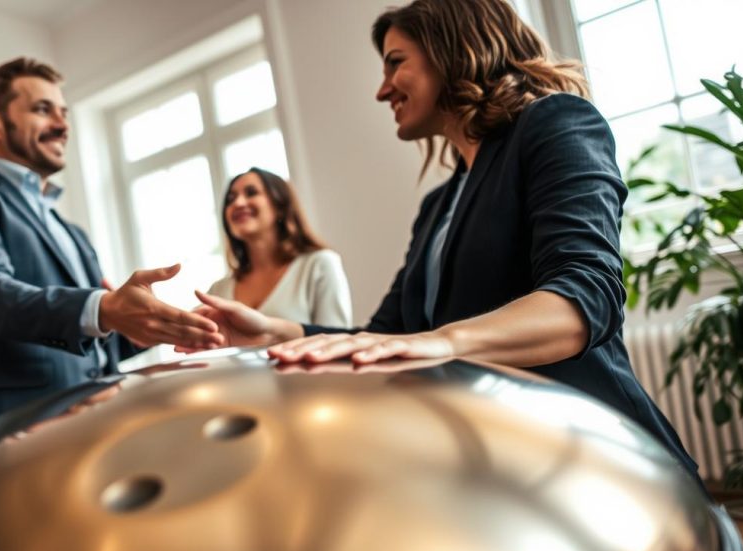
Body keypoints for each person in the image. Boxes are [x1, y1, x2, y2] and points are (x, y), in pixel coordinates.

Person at [184, 0, 699, 477]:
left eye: (395, 63)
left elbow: (583, 301)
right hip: (501, 459)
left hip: (598, 451)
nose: (382, 89)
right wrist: (276, 334)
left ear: (452, 51)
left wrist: (442, 343)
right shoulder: (439, 205)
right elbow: (386, 333)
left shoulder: (556, 121)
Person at [0, 57, 222, 438]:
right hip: (11, 430)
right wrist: (107, 308)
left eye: (63, 113)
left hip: (93, 427)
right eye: (42, 110)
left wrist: (152, 327)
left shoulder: (73, 232)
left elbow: (94, 340)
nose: (63, 126)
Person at [207, 167, 352, 328]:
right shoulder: (218, 290)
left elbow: (336, 340)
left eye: (252, 192)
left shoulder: (319, 264)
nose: (238, 203)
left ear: (280, 206)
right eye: (230, 199)